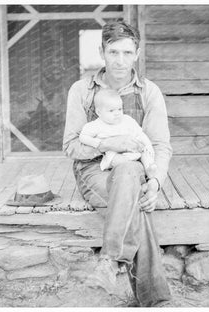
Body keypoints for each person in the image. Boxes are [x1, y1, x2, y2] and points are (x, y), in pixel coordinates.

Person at [63, 20, 173, 307]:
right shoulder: (82, 90)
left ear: (137, 53)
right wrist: (108, 144)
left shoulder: (149, 92)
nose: (120, 60)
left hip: (136, 169)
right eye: (113, 52)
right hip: (94, 169)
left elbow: (160, 146)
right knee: (133, 201)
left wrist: (156, 183)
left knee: (129, 174)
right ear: (102, 52)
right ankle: (155, 300)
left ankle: (110, 262)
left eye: (127, 52)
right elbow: (70, 146)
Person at [79, 88, 157, 177]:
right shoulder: (96, 125)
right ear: (99, 112)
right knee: (116, 159)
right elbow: (83, 137)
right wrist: (97, 143)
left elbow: (140, 134)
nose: (117, 113)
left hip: (133, 150)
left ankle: (149, 169)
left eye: (119, 109)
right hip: (113, 154)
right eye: (111, 110)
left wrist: (148, 145)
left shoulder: (127, 120)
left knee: (145, 154)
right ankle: (130, 170)